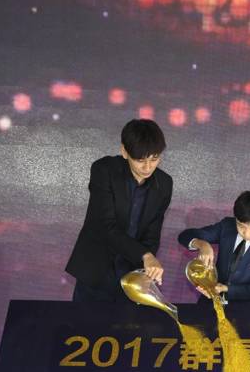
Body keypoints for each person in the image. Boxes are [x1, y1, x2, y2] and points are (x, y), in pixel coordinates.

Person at [66, 119, 171, 302]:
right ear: (124, 151)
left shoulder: (164, 183)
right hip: (96, 268)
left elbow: (153, 233)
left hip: (132, 274)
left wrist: (146, 268)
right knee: (85, 319)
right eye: (140, 160)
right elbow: (105, 226)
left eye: (154, 159)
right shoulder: (104, 170)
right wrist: (145, 255)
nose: (148, 167)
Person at [178, 190, 250, 304]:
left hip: (245, 308)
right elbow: (184, 236)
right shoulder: (227, 226)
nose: (246, 233)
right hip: (211, 300)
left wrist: (227, 289)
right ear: (235, 218)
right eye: (241, 226)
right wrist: (202, 244)